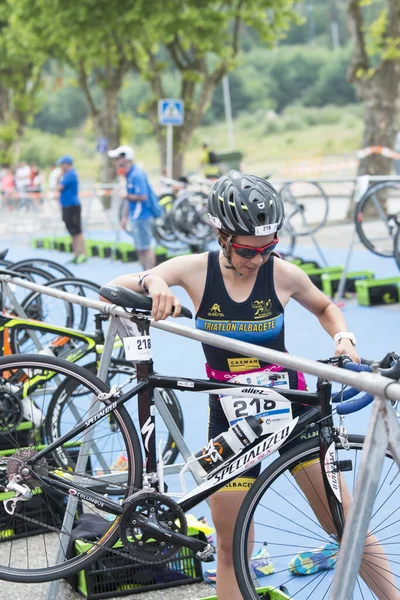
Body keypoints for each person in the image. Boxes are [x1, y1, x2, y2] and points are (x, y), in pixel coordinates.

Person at [105, 171, 398, 600]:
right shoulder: (194, 269)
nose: (258, 260)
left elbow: (326, 305)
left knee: (347, 525)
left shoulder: (283, 274)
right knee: (231, 546)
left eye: (268, 248)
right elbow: (123, 284)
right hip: (229, 415)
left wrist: (343, 336)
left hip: (291, 407)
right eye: (247, 251)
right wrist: (157, 283)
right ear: (221, 235)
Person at [108, 145, 159, 270]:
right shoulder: (129, 174)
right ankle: (146, 276)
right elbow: (129, 200)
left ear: (126, 158)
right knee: (140, 248)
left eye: (118, 158)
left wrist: (127, 195)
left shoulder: (137, 174)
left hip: (143, 216)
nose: (116, 161)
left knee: (145, 248)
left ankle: (151, 276)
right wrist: (125, 217)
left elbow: (143, 196)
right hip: (136, 216)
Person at [57, 155, 87, 264]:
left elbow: (59, 187)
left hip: (72, 206)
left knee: (77, 230)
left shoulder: (70, 174)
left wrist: (58, 178)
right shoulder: (67, 174)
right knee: (72, 231)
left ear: (66, 164)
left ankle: (83, 254)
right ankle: (76, 253)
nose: (60, 166)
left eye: (62, 164)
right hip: (66, 206)